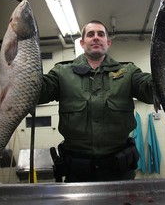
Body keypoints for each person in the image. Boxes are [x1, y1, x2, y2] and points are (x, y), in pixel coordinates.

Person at [38, 20, 154, 182]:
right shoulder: (62, 73)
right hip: (77, 171)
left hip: (119, 170)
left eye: (101, 34)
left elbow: (151, 91)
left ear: (108, 42)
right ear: (82, 43)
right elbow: (36, 93)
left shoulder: (128, 72)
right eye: (90, 34)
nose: (96, 38)